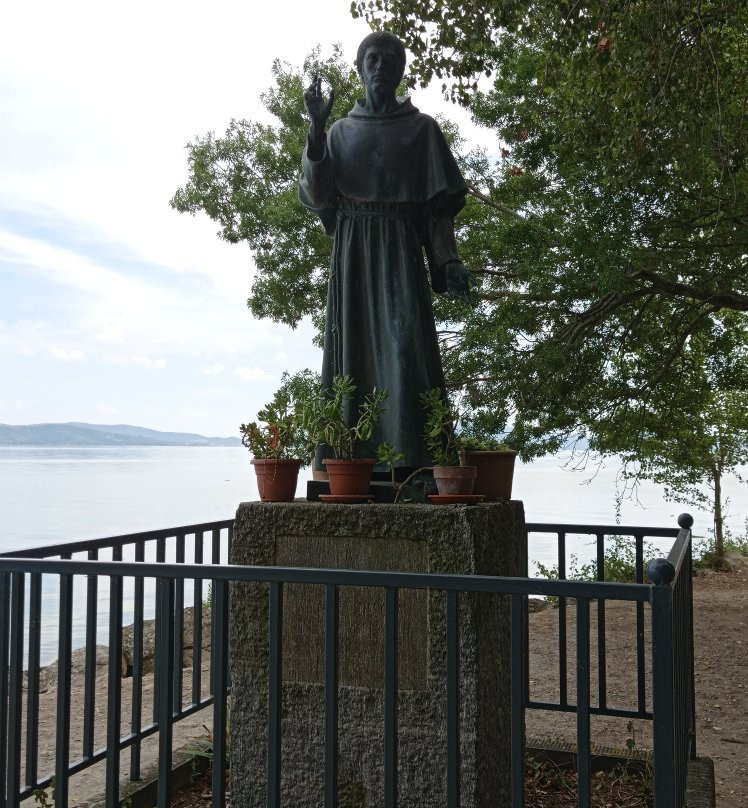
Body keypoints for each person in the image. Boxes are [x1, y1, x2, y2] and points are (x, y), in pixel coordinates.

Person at [299, 31, 474, 471]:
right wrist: (316, 128)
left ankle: (412, 465)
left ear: (400, 70)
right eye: (372, 58)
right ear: (359, 69)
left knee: (404, 350)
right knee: (349, 361)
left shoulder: (421, 130)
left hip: (399, 253)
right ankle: (344, 464)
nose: (380, 65)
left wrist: (448, 261)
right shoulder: (339, 132)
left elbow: (437, 214)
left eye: (389, 59)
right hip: (353, 252)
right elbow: (319, 197)